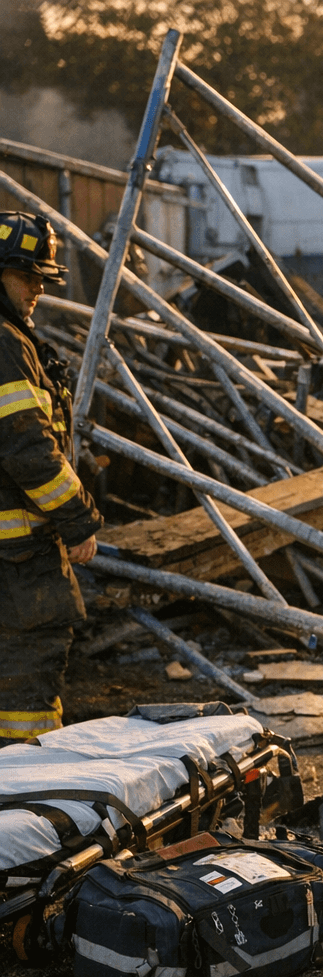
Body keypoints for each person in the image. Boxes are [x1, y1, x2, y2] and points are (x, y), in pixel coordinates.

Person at [0, 211, 101, 745]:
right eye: (27, 275)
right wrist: (78, 518)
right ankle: (27, 804)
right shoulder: (4, 344)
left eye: (44, 277)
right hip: (18, 564)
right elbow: (28, 447)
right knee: (24, 701)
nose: (39, 287)